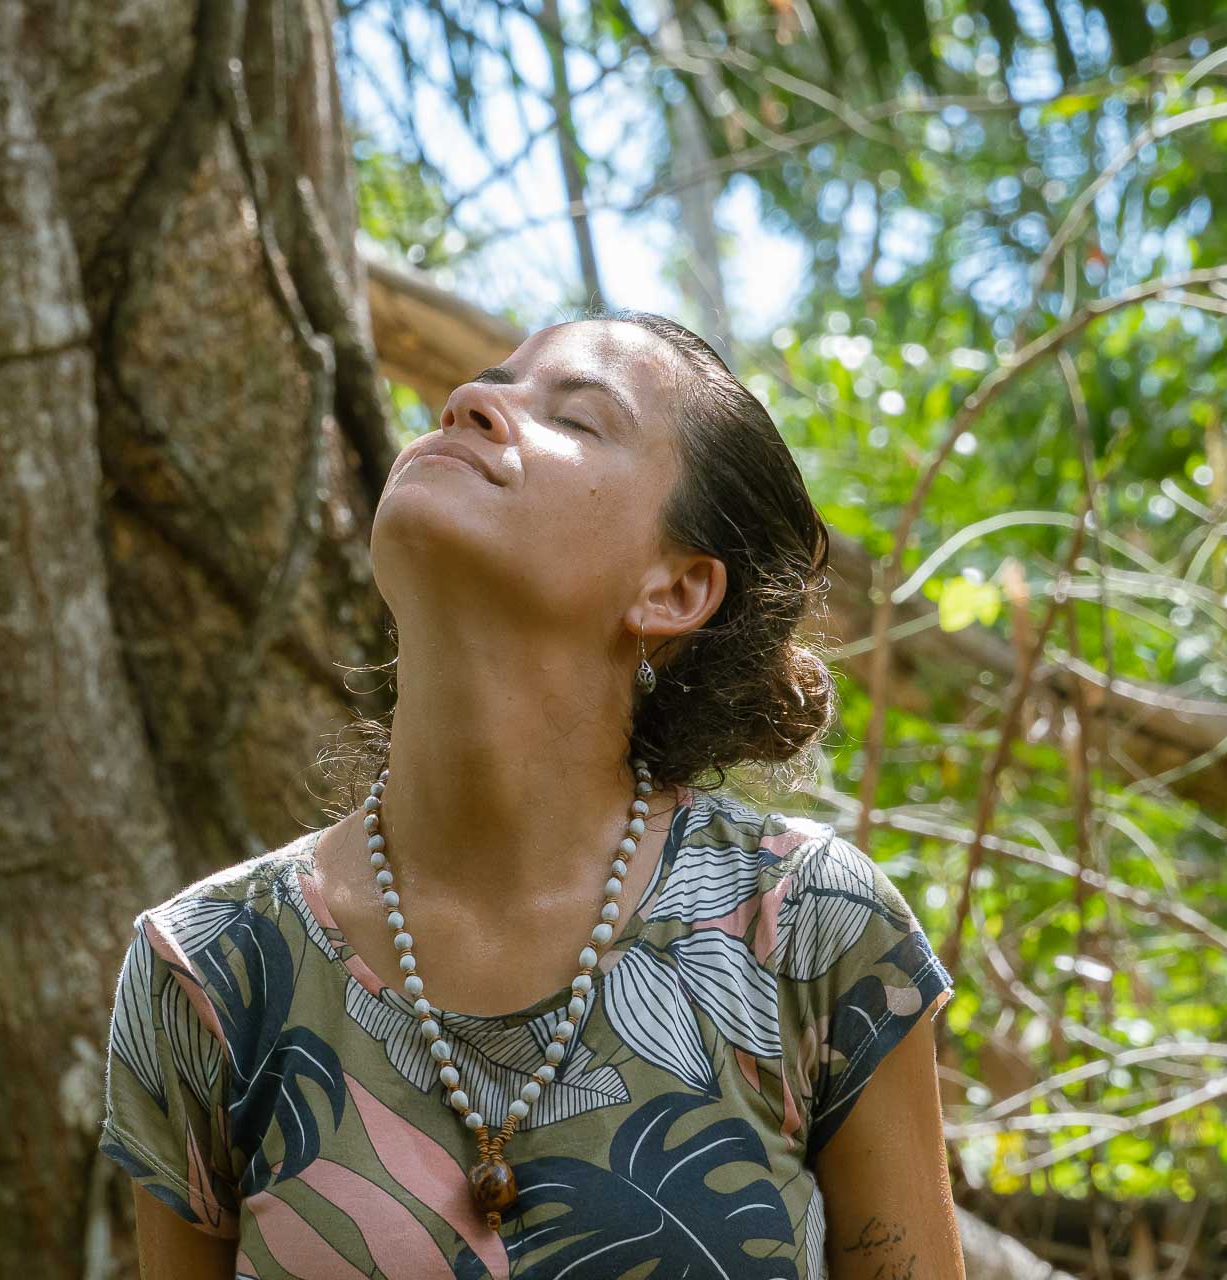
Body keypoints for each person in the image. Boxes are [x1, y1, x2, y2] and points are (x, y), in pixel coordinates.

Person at [97, 313, 965, 1279]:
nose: (469, 403)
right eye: (482, 383)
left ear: (674, 590)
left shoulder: (807, 929)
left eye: (579, 418)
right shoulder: (212, 971)